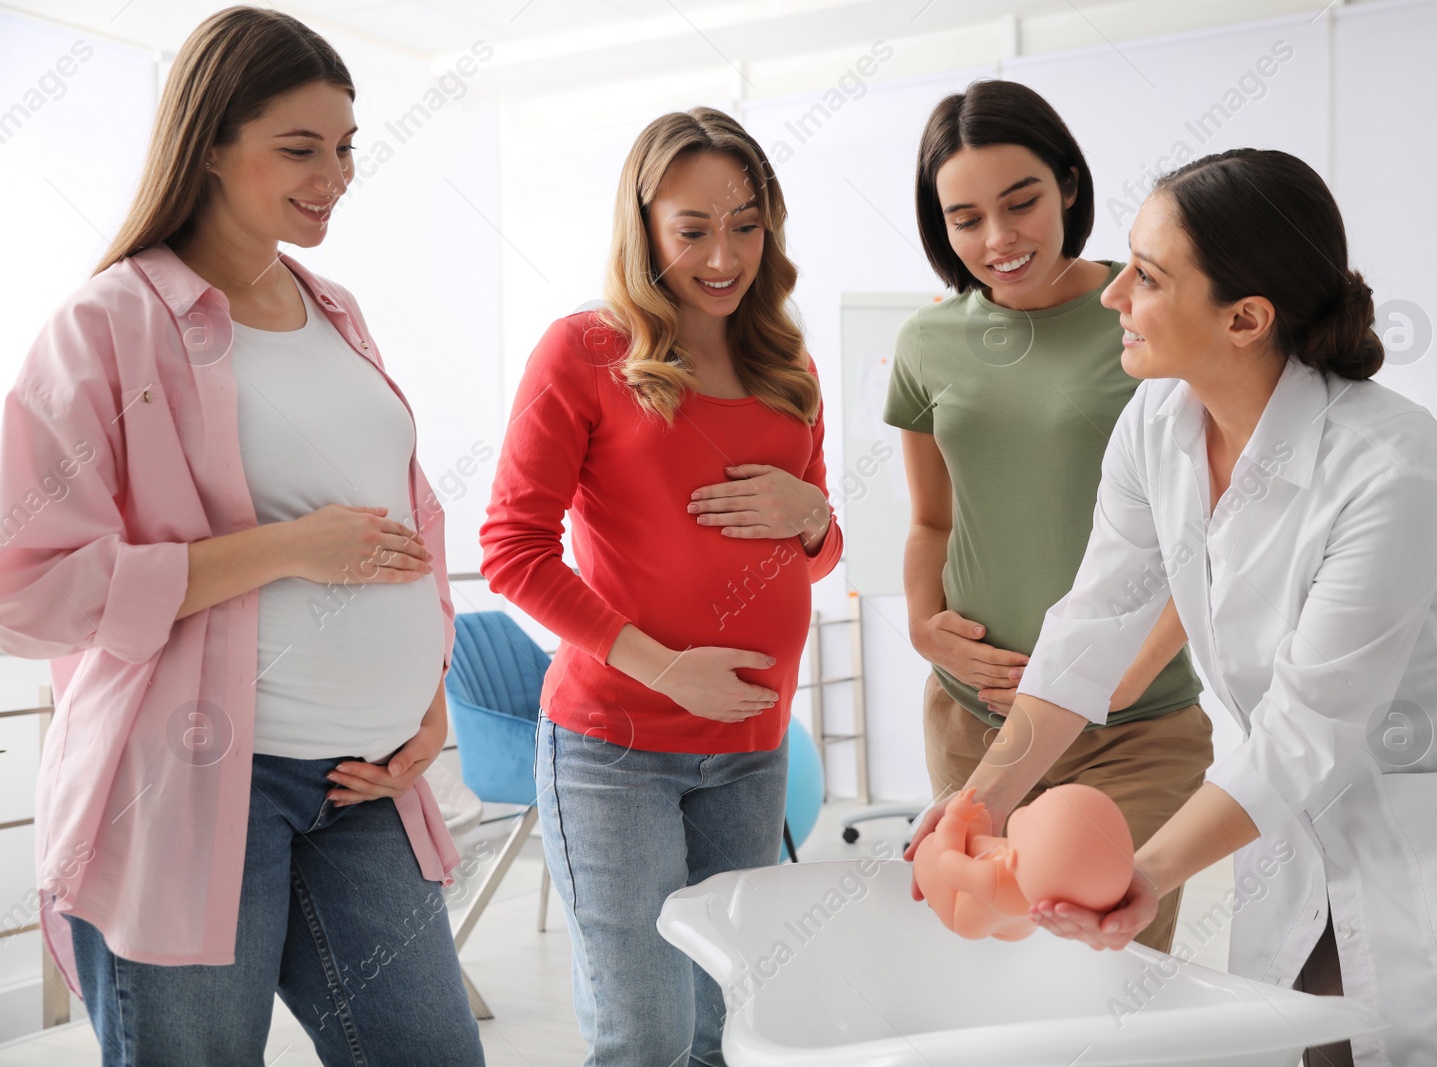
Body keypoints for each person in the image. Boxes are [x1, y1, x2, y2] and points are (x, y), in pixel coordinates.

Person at [908, 147, 1437, 1066]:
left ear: (1245, 317)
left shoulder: (1390, 470)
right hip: (1296, 824)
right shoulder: (1158, 423)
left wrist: (1144, 872)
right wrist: (982, 797)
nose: (1113, 295)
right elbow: (1093, 626)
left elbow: (1309, 727)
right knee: (1309, 1041)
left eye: (1147, 277)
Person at [0, 8, 484, 1064]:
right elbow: (22, 587)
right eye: (301, 149)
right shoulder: (108, 324)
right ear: (211, 143)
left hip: (367, 782)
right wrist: (284, 549)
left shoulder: (335, 307)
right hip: (192, 786)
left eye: (347, 145)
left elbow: (404, 517)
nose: (337, 173)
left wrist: (429, 700)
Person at [480, 107, 842, 1066]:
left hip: (753, 747)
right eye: (692, 230)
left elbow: (824, 546)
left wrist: (809, 514)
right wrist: (663, 667)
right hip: (613, 750)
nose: (723, 256)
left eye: (746, 224)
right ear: (643, 226)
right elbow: (513, 547)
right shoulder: (584, 352)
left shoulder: (788, 366)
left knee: (726, 1025)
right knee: (644, 1032)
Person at [885, 79, 1207, 951]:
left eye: (1021, 201)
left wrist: (1132, 671)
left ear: (1069, 182)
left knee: (1107, 965)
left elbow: (1205, 532)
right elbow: (929, 523)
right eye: (964, 217)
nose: (998, 239)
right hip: (975, 719)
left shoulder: (1149, 324)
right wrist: (923, 628)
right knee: (998, 974)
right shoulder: (926, 344)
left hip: (1134, 727)